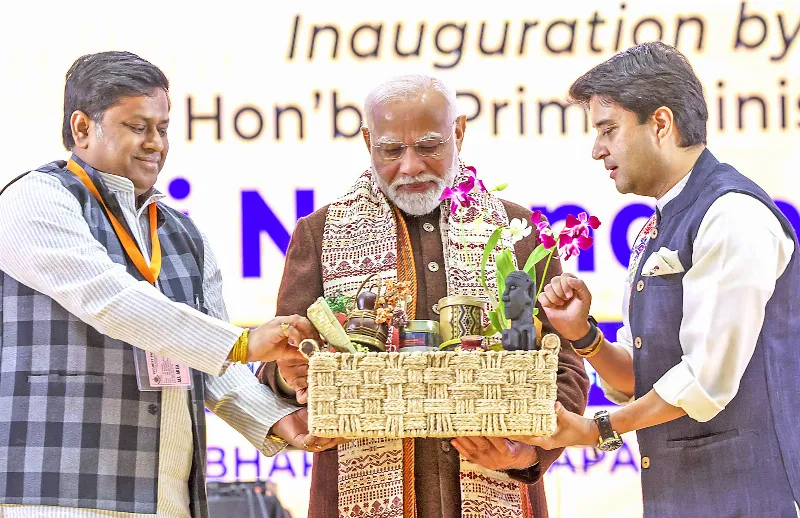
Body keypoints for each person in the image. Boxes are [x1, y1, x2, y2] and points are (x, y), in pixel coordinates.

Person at [0, 51, 330, 518]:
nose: (155, 142)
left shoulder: (181, 231)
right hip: (56, 497)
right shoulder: (33, 200)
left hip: (166, 500)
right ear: (81, 128)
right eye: (137, 126)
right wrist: (243, 341)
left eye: (162, 127)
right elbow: (109, 299)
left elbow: (214, 363)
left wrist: (280, 420)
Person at [258, 74, 589, 518]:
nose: (411, 166)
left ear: (459, 132)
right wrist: (288, 376)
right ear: (367, 141)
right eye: (392, 150)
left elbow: (562, 363)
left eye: (430, 146)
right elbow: (276, 367)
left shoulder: (519, 233)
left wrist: (527, 456)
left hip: (500, 490)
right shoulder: (319, 234)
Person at [520, 42, 800, 517]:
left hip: (756, 497)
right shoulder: (657, 224)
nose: (596, 150)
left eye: (608, 129)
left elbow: (704, 381)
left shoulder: (732, 213)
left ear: (662, 124)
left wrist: (596, 429)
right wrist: (584, 336)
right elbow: (642, 378)